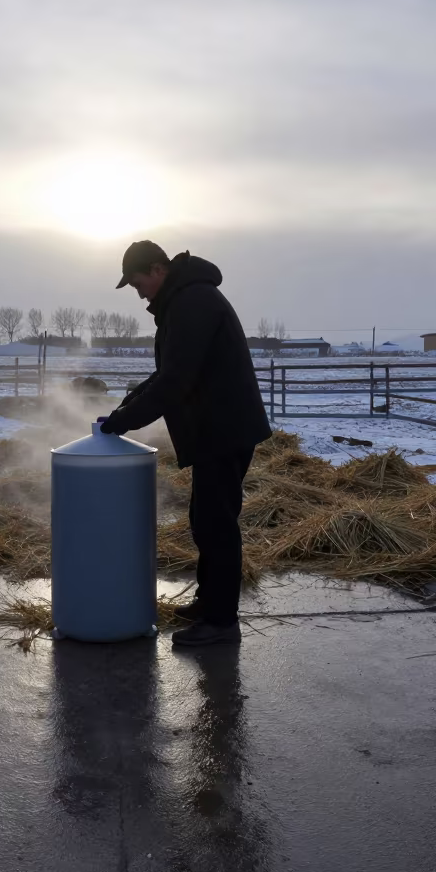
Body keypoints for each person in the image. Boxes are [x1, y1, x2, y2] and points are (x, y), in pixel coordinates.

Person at [101, 240, 272, 647]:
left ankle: (221, 623)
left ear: (158, 269)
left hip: (224, 429)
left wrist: (126, 421)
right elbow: (172, 370)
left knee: (216, 525)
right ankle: (209, 603)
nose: (139, 292)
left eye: (139, 282)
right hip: (216, 428)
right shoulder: (185, 299)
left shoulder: (192, 301)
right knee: (204, 519)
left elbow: (177, 381)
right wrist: (134, 397)